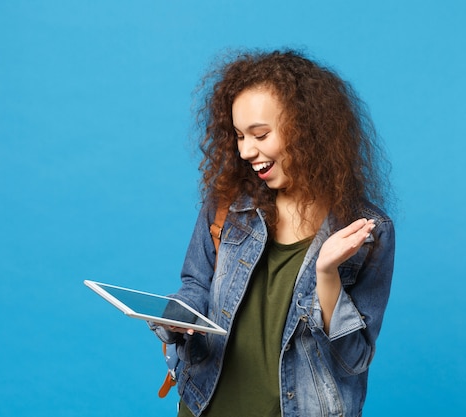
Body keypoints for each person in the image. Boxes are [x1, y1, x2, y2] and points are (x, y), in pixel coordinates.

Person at [151, 49, 395, 417]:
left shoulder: (365, 231)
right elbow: (196, 286)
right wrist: (178, 316)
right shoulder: (226, 204)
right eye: (238, 136)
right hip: (204, 404)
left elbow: (354, 359)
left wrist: (327, 276)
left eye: (260, 134)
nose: (247, 151)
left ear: (308, 130)